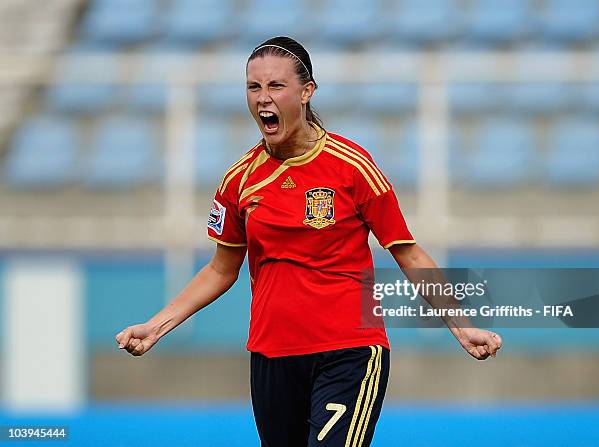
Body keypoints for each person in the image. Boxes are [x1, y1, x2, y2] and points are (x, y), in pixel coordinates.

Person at [116, 36, 503, 447]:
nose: (263, 98)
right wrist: (156, 327)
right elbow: (220, 269)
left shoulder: (352, 166)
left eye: (276, 86)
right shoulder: (238, 181)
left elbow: (406, 251)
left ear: (306, 91)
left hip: (350, 351)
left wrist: (461, 325)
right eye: (253, 87)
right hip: (271, 356)